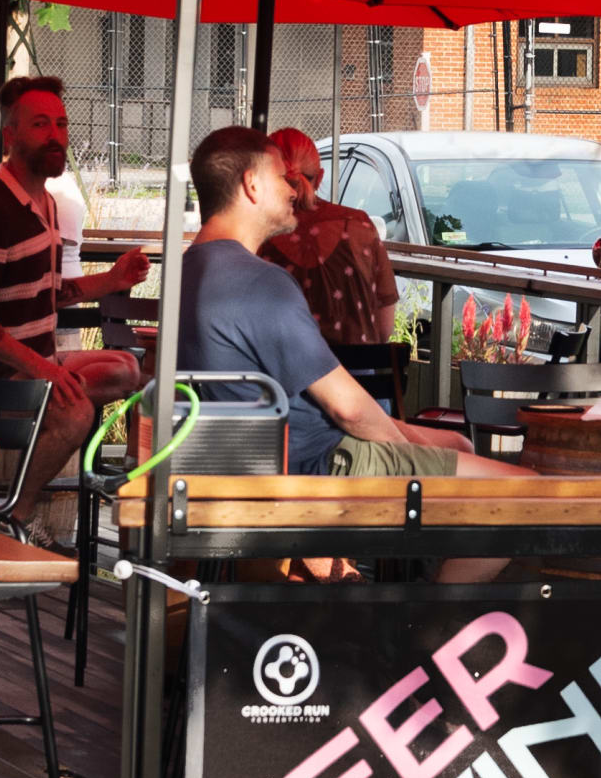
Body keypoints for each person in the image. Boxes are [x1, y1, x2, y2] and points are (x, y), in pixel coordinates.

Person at [177, 125, 522, 581]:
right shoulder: (261, 283)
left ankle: (394, 612)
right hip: (313, 469)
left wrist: (413, 445)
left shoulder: (187, 272)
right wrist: (408, 455)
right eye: (283, 177)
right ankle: (425, 634)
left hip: (244, 466)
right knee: (522, 496)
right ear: (251, 185)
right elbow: (350, 409)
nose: (294, 191)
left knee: (453, 444)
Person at [0, 76, 150, 458]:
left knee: (129, 370)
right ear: (10, 136)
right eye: (40, 124)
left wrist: (114, 279)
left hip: (25, 367)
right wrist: (45, 369)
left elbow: (46, 294)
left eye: (61, 124)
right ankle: (16, 512)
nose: (55, 135)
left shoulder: (44, 201)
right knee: (75, 414)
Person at [266, 125, 399, 348]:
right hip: (360, 377)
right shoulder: (358, 225)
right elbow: (384, 328)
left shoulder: (259, 235)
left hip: (281, 380)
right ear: (320, 178)